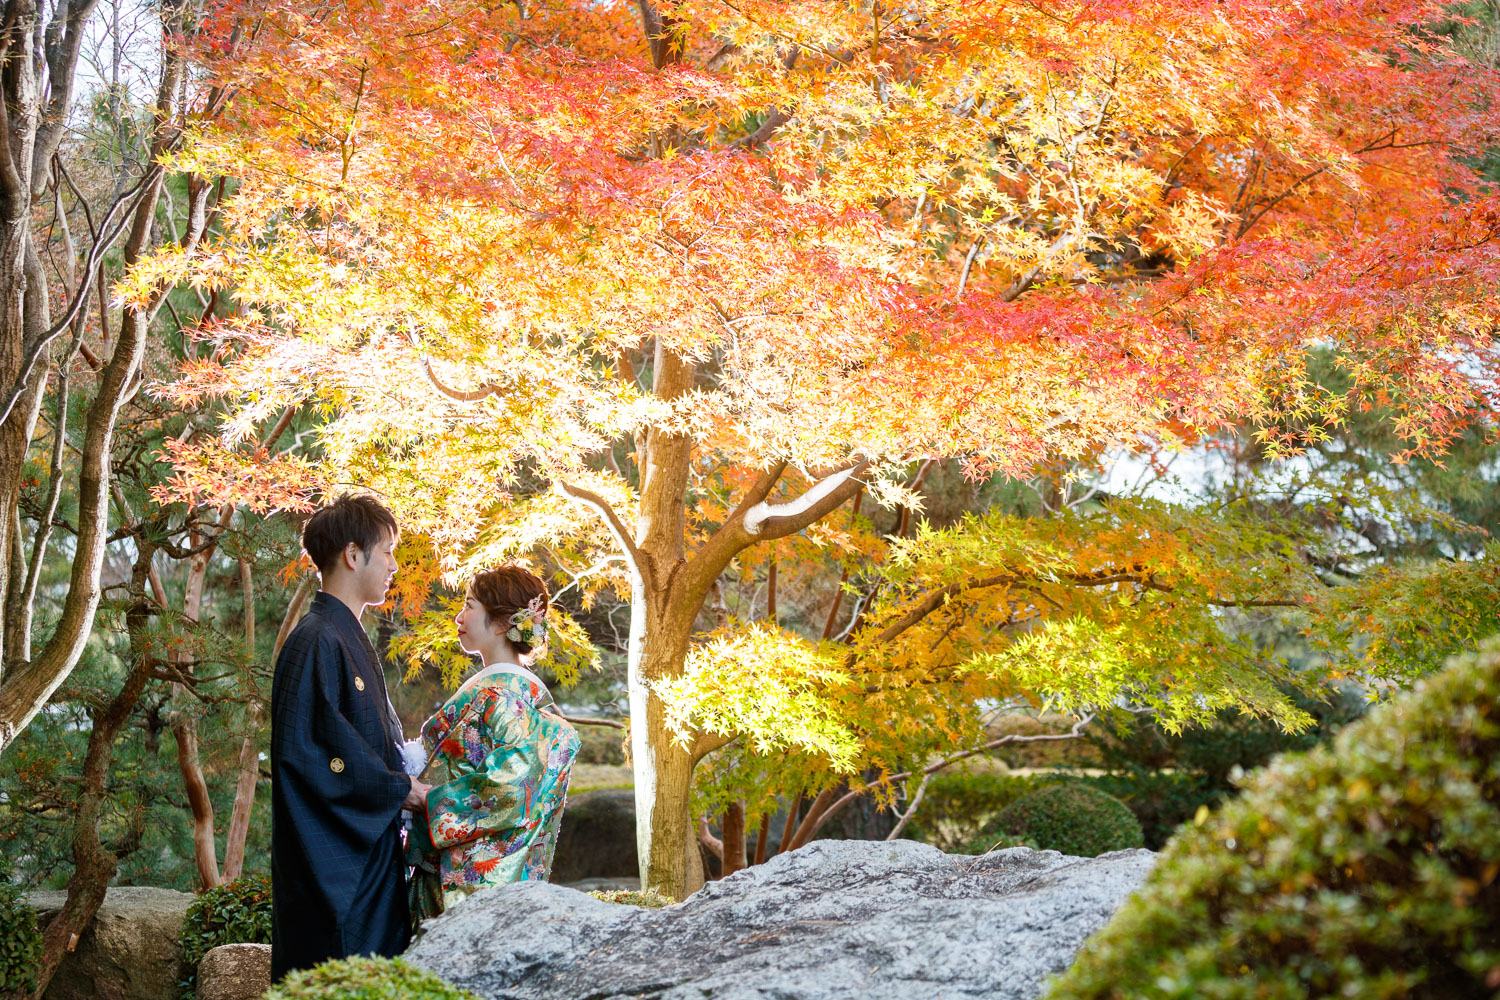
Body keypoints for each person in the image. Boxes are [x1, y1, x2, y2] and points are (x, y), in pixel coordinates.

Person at [269, 494, 431, 980]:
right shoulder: (316, 638)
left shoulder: (341, 635)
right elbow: (311, 756)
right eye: (388, 552)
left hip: (368, 854)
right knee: (345, 979)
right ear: (353, 555)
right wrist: (399, 789)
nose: (395, 566)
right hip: (337, 871)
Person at [406, 565, 581, 925]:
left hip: (463, 879)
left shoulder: (501, 695)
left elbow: (514, 788)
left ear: (502, 624)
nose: (459, 615)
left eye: (470, 605)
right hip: (472, 870)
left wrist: (429, 800)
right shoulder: (510, 691)